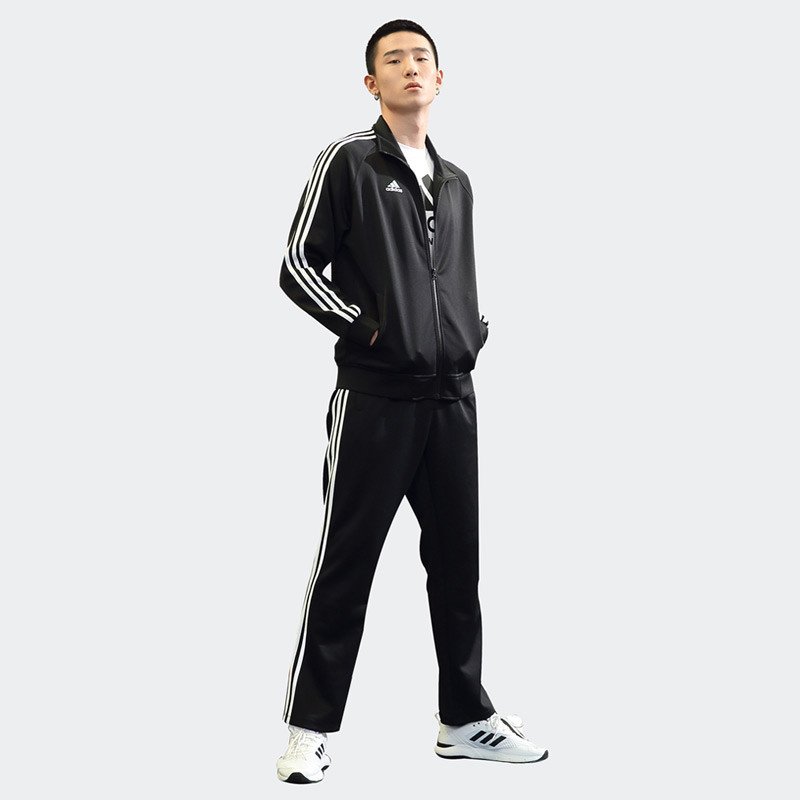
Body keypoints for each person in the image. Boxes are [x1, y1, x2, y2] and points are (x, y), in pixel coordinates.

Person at [275, 19, 548, 784]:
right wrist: (371, 330)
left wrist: (470, 331)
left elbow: (453, 278)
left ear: (440, 78)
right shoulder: (349, 161)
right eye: (392, 60)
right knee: (345, 565)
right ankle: (308, 731)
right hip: (375, 399)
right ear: (372, 83)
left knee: (459, 568)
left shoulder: (456, 180)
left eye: (422, 57)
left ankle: (463, 719)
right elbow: (298, 266)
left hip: (452, 398)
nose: (410, 68)